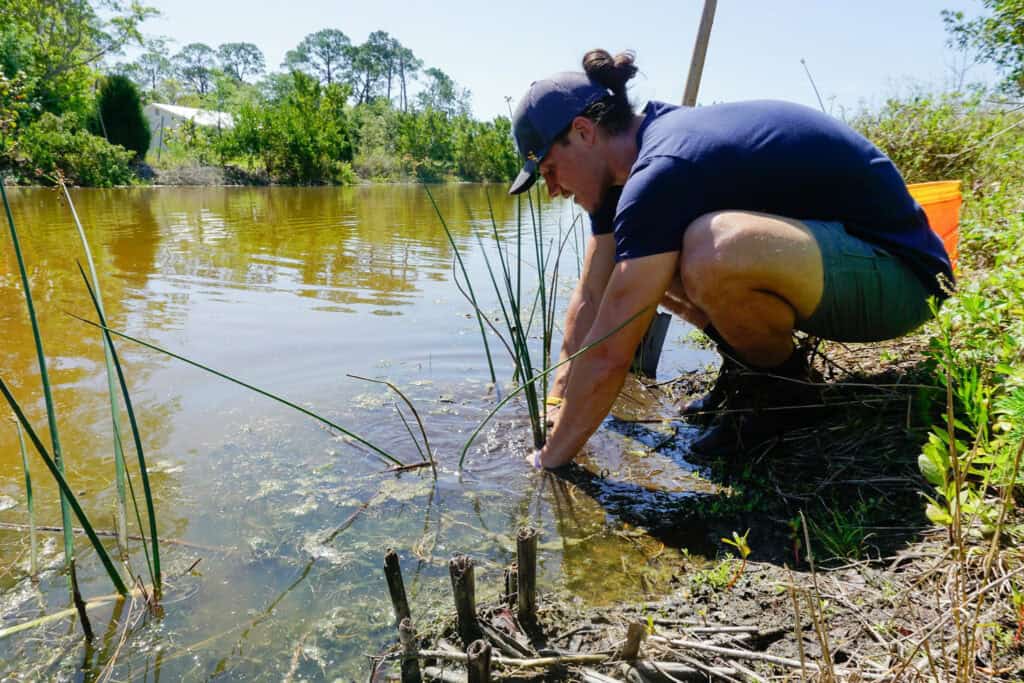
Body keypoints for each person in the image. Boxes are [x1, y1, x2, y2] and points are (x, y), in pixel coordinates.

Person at [509, 49, 953, 469]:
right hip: (833, 264)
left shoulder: (661, 168)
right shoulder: (623, 178)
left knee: (708, 247)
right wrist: (558, 399)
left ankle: (784, 392)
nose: (553, 190)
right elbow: (592, 294)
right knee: (645, 269)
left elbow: (609, 353)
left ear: (584, 132)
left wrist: (550, 458)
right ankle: (752, 370)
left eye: (549, 170)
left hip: (903, 279)